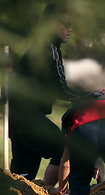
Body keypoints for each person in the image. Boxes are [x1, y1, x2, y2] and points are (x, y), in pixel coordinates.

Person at [9, 3, 80, 184]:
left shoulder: (50, 47)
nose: (70, 29)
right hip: (26, 117)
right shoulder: (46, 49)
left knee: (23, 179)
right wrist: (90, 97)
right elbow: (59, 88)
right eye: (65, 24)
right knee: (62, 148)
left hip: (23, 117)